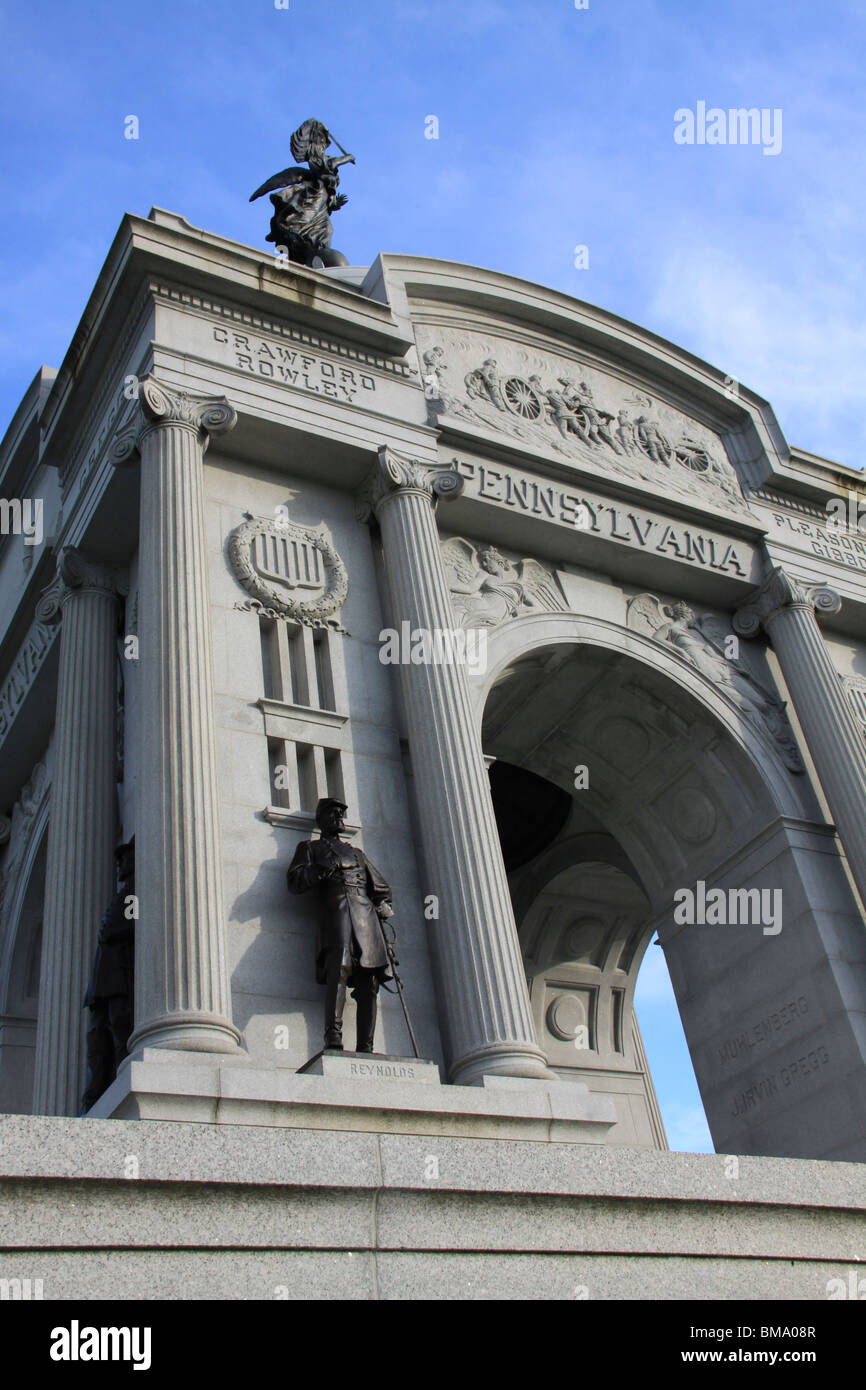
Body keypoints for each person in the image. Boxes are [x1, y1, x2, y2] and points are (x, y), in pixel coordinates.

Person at [287, 799, 394, 1053]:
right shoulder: (310, 848)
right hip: (336, 913)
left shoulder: (357, 853)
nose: (338, 817)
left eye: (341, 813)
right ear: (321, 818)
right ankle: (332, 1036)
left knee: (369, 979)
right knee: (340, 968)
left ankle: (365, 1046)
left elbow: (380, 886)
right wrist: (321, 871)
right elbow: (295, 881)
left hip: (365, 916)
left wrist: (383, 904)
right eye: (333, 813)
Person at [80, 838, 135, 1113]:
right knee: (96, 1041)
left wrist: (111, 930)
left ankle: (116, 1080)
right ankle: (92, 1097)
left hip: (116, 976)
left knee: (118, 1029)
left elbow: (130, 925)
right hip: (101, 982)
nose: (119, 864)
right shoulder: (123, 893)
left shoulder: (133, 893)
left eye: (123, 858)